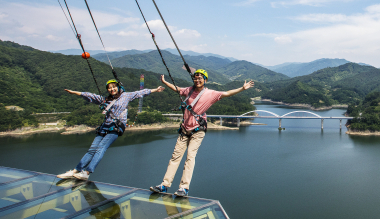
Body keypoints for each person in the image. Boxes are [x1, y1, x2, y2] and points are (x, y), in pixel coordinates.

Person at [150, 69, 254, 197]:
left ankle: (184, 187)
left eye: (200, 78)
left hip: (198, 130)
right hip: (184, 129)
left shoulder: (210, 94)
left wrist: (242, 88)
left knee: (190, 157)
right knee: (175, 157)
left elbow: (227, 93)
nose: (197, 80)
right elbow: (177, 89)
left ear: (205, 80)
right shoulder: (189, 90)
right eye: (195, 78)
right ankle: (164, 185)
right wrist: (165, 82)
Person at [57, 79, 165, 180]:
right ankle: (76, 170)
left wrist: (156, 90)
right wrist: (75, 92)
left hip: (116, 127)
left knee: (100, 148)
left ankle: (87, 173)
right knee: (92, 149)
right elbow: (91, 96)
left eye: (114, 87)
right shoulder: (105, 100)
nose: (112, 89)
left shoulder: (125, 96)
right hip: (105, 126)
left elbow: (140, 93)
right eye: (109, 88)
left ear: (118, 87)